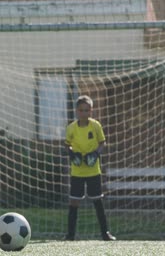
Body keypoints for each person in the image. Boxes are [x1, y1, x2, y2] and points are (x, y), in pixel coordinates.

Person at [64, 95, 116, 241]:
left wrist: (95, 154)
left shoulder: (96, 126)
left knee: (97, 201)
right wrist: (72, 154)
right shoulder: (71, 128)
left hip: (93, 171)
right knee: (74, 202)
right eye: (81, 110)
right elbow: (67, 144)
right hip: (77, 172)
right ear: (76, 111)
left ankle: (105, 233)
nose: (84, 113)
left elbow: (102, 143)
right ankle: (70, 235)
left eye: (87, 110)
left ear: (91, 111)